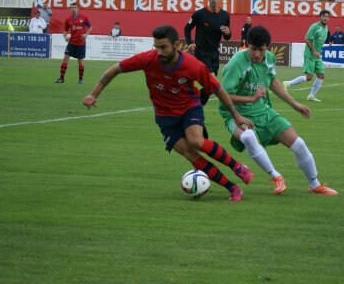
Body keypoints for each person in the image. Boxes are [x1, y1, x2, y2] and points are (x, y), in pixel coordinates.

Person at [82, 25, 255, 201]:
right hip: (164, 117)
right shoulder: (148, 59)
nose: (159, 52)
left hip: (189, 107)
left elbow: (217, 89)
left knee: (196, 141)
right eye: (156, 47)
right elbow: (115, 69)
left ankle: (237, 167)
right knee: (189, 153)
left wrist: (236, 115)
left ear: (177, 45)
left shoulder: (193, 65)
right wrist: (93, 94)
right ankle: (232, 188)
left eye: (163, 47)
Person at [220, 26, 338, 196]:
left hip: (262, 110)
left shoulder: (269, 59)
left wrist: (295, 104)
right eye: (253, 49)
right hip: (235, 113)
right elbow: (224, 95)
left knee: (299, 144)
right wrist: (250, 100)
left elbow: (273, 82)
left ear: (267, 47)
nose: (257, 54)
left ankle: (315, 185)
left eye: (261, 49)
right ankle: (276, 176)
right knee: (247, 136)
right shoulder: (237, 63)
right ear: (247, 45)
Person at [184, 0, 231, 106]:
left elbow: (227, 37)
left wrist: (227, 33)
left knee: (210, 87)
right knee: (213, 81)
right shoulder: (199, 14)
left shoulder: (225, 15)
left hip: (215, 53)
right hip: (201, 52)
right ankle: (193, 103)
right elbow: (187, 28)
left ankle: (194, 103)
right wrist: (190, 43)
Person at [283, 10, 331, 102]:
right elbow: (306, 39)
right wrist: (313, 51)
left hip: (317, 56)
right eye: (324, 16)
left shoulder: (326, 28)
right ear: (320, 17)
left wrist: (318, 52)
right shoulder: (315, 27)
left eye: (327, 17)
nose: (326, 18)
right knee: (309, 78)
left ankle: (311, 96)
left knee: (321, 76)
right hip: (310, 54)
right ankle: (287, 83)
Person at [55, 3, 92, 84]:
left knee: (80, 61)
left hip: (81, 43)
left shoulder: (84, 17)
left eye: (75, 7)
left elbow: (90, 27)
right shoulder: (68, 19)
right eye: (71, 7)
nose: (73, 9)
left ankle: (80, 79)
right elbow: (65, 31)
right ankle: (61, 78)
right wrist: (65, 37)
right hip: (71, 43)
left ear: (77, 8)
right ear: (70, 9)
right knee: (65, 58)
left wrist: (86, 35)